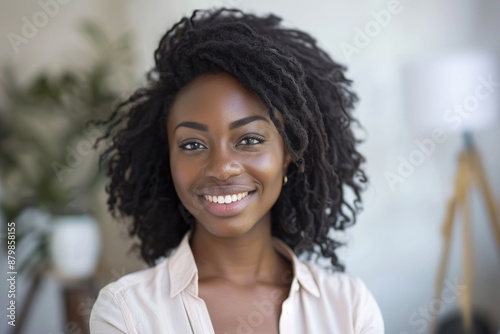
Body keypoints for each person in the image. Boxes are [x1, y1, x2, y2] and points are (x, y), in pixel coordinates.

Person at [89, 7, 384, 334]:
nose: (221, 168)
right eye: (192, 145)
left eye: (250, 139)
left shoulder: (349, 308)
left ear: (287, 154)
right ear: (167, 160)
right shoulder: (126, 312)